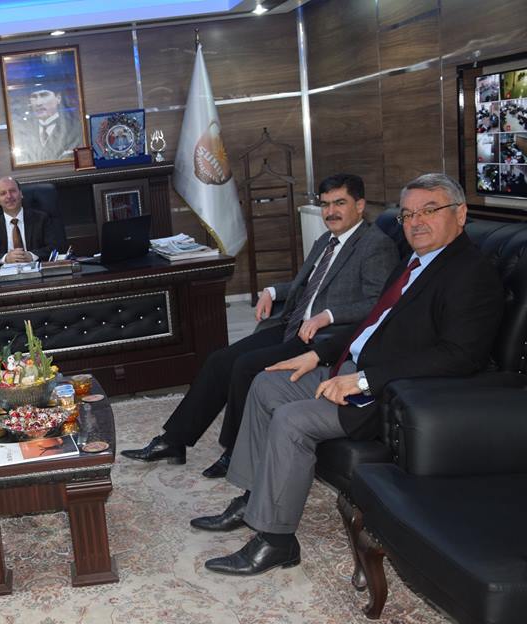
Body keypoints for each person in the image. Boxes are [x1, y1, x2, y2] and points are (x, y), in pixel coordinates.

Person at [196, 173, 504, 576]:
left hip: (394, 393)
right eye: (408, 214)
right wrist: (317, 354)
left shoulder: (471, 273)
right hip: (354, 366)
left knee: (291, 420)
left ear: (460, 214)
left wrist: (363, 381)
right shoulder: (414, 262)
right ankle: (253, 499)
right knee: (266, 384)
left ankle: (276, 541)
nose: (415, 223)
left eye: (430, 211)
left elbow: (459, 357)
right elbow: (373, 323)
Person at [121, 174, 400, 477]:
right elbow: (308, 285)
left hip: (323, 338)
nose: (330, 212)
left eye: (339, 203)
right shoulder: (327, 240)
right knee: (219, 360)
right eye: (325, 205)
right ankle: (173, 441)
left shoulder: (376, 245)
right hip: (292, 325)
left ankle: (235, 453)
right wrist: (273, 291)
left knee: (245, 367)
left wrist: (328, 315)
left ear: (359, 205)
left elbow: (378, 303)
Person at [0, 176, 67, 264]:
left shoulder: (41, 219)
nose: (9, 196)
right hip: (4, 272)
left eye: (12, 191)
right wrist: (5, 258)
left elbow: (56, 248)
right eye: (3, 193)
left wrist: (32, 256)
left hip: (36, 271)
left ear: (21, 194)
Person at [13, 86, 84, 164]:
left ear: (58, 98)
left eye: (44, 95)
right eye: (34, 97)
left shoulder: (75, 127)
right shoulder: (23, 131)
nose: (38, 103)